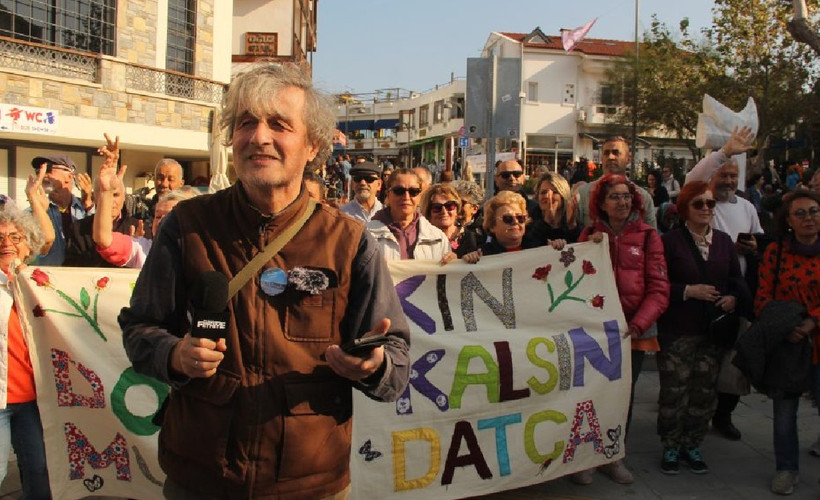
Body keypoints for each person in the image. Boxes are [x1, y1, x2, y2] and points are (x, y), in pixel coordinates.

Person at [118, 63, 411, 499]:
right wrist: (174, 354)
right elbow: (139, 328)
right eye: (246, 123)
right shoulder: (187, 225)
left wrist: (374, 365)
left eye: (279, 124)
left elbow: (397, 358)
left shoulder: (349, 242)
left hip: (311, 483)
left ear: (313, 145)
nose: (259, 137)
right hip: (200, 477)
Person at [574, 173, 669, 486]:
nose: (622, 202)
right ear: (601, 203)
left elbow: (659, 288)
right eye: (614, 197)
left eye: (626, 196)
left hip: (634, 333)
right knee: (591, 395)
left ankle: (614, 456)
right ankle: (588, 457)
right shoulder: (587, 235)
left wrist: (639, 324)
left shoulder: (648, 236)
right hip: (597, 334)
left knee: (621, 397)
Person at [656, 181, 747, 476]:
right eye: (699, 204)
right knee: (674, 390)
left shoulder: (723, 242)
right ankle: (671, 445)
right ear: (685, 208)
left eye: (710, 204)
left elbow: (737, 280)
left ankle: (692, 443)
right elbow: (657, 285)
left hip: (713, 331)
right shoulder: (669, 242)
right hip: (678, 330)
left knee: (704, 391)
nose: (706, 209)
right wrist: (688, 291)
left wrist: (733, 298)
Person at [685, 125, 762, 441]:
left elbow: (760, 239)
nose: (728, 181)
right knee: (700, 365)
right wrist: (725, 152)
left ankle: (724, 416)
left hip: (737, 295)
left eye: (733, 176)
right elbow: (693, 179)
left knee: (733, 365)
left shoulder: (747, 207)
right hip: (704, 296)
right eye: (723, 175)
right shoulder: (702, 202)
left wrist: (753, 248)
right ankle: (695, 417)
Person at [753, 191, 820, 495]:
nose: (810, 218)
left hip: (817, 338)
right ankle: (786, 468)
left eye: (815, 211)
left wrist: (812, 322)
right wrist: (790, 327)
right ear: (789, 221)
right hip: (788, 342)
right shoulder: (776, 252)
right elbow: (763, 297)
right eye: (801, 213)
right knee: (784, 411)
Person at [0, 209, 51, 498]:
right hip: (1, 399)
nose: (6, 243)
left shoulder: (41, 286)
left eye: (15, 237)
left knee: (40, 470)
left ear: (28, 245)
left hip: (33, 399)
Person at [368, 168, 453, 263]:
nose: (406, 197)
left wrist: (452, 262)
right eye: (399, 191)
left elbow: (445, 276)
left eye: (413, 191)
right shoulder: (367, 235)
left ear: (420, 195)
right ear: (388, 194)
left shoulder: (438, 238)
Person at [577, 137, 656, 228]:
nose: (610, 157)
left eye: (616, 153)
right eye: (606, 153)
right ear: (601, 158)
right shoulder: (583, 193)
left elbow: (652, 237)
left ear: (628, 158)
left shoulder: (643, 197)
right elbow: (574, 232)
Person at [29, 154, 91, 265]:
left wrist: (89, 203)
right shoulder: (33, 211)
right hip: (47, 279)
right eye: (38, 171)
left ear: (69, 176)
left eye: (47, 169)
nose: (42, 175)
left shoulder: (86, 208)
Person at [461, 191, 539, 263]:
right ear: (492, 226)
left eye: (520, 218)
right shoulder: (481, 255)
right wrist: (468, 261)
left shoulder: (539, 247)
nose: (515, 222)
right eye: (508, 218)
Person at [524, 172, 581, 249]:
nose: (547, 196)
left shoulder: (572, 221)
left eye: (554, 192)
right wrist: (546, 222)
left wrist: (572, 227)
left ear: (563, 196)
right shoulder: (529, 222)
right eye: (543, 192)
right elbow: (529, 246)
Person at [419, 183, 478, 257]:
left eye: (450, 206)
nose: (444, 212)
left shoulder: (474, 239)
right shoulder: (420, 240)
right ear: (428, 212)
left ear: (457, 209)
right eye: (437, 207)